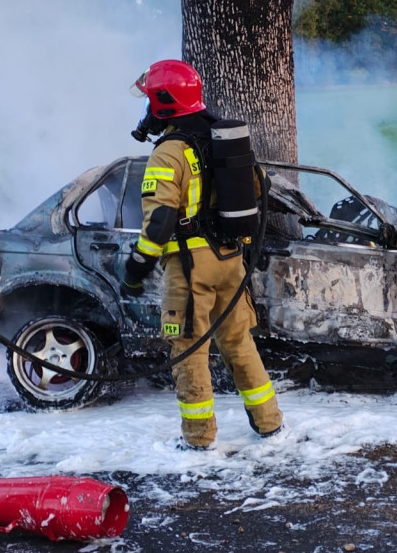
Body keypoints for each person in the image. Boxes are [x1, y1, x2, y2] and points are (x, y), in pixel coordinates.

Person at [121, 59, 283, 450]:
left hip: (191, 268)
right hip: (230, 260)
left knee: (189, 350)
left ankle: (198, 440)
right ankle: (269, 424)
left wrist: (135, 269)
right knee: (239, 342)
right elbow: (260, 188)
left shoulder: (169, 153)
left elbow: (158, 223)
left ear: (163, 104)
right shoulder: (224, 139)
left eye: (150, 101)